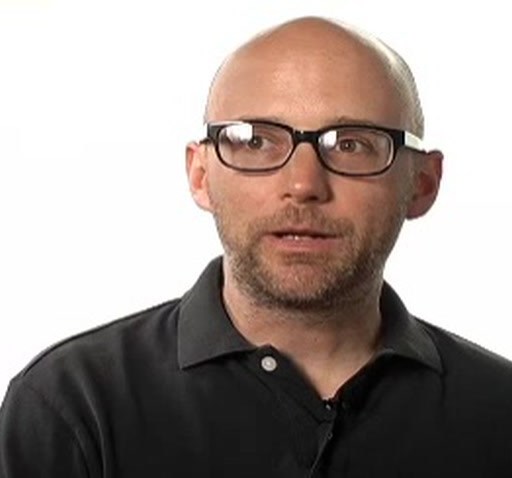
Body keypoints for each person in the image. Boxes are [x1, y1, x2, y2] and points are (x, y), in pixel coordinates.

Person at [1, 16, 511, 478]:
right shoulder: (72, 407)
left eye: (352, 143)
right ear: (200, 175)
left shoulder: (499, 411)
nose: (303, 184)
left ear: (423, 183)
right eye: (255, 140)